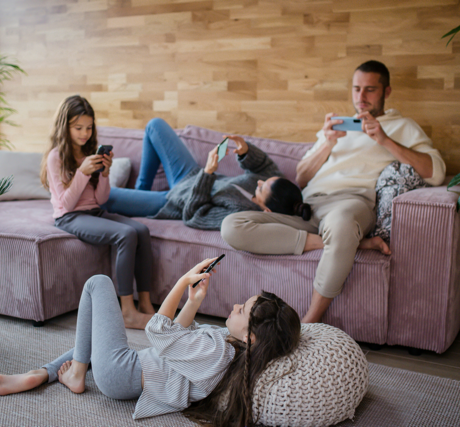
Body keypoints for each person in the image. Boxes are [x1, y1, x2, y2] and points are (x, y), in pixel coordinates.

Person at [221, 60, 446, 324]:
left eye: (370, 90)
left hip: (351, 204)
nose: (361, 97)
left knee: (341, 223)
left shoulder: (402, 127)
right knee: (232, 226)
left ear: (386, 92)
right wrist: (326, 144)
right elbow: (301, 177)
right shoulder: (339, 127)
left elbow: (437, 172)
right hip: (307, 207)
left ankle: (310, 322)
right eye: (356, 89)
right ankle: (348, 243)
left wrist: (385, 140)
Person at [0, 258, 301, 427]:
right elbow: (175, 339)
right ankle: (40, 374)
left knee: (98, 283)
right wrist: (194, 301)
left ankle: (77, 374)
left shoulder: (219, 351)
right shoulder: (228, 349)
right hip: (128, 371)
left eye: (242, 310)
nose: (235, 306)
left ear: (250, 336)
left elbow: (157, 332)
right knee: (92, 336)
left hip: (122, 373)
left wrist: (183, 282)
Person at [40, 95, 155, 330]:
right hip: (69, 217)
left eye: (89, 127)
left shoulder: (90, 151)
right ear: (65, 127)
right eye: (78, 128)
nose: (85, 133)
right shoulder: (56, 157)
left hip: (95, 212)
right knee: (125, 234)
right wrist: (82, 172)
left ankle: (146, 304)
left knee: (141, 230)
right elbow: (66, 204)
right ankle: (127, 312)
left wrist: (104, 175)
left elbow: (101, 200)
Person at [104, 117, 312, 229]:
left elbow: (194, 215)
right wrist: (246, 150)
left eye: (262, 188)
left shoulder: (239, 215)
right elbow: (264, 166)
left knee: (102, 194)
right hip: (189, 175)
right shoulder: (275, 184)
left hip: (174, 201)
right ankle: (141, 192)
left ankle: (140, 201)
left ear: (267, 210)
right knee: (155, 125)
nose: (260, 182)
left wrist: (209, 172)